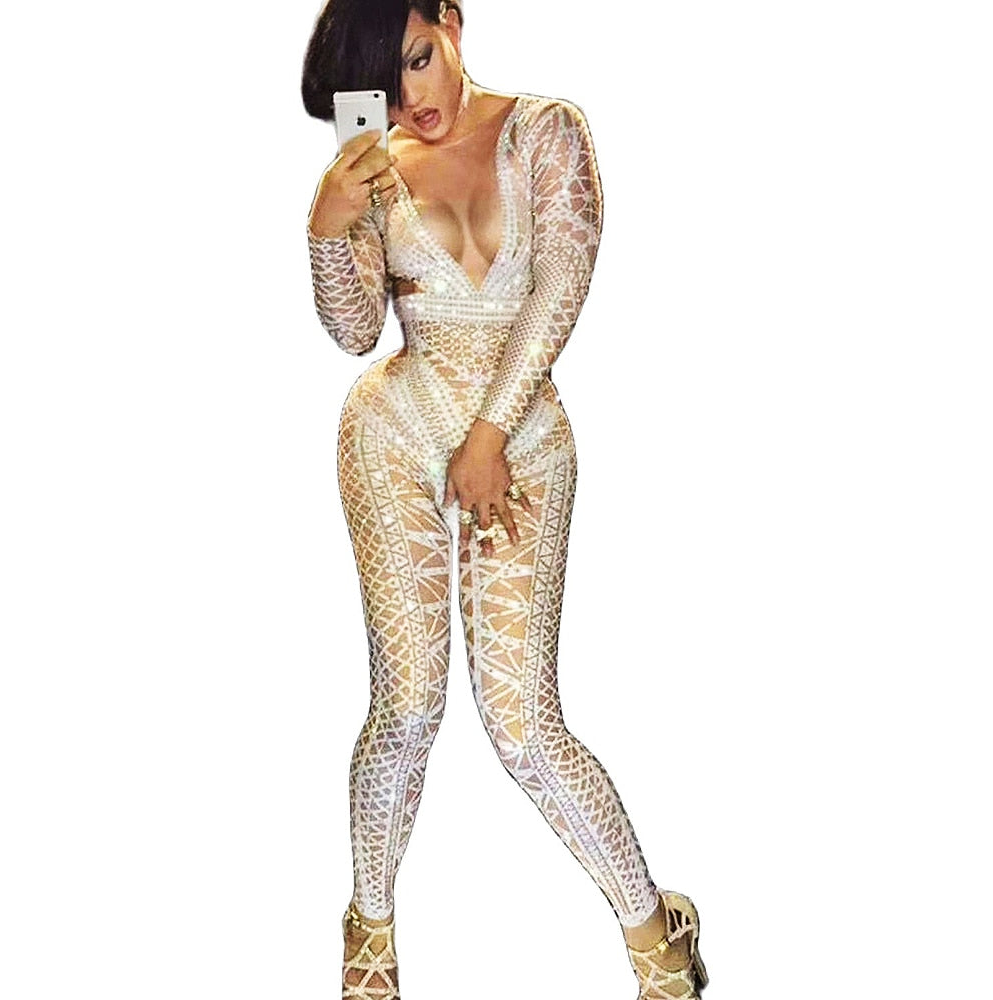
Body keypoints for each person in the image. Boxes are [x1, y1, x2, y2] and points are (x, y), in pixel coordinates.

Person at [301, 2, 708, 997]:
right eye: (383, 82)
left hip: (521, 438)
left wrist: (487, 436)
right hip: (396, 430)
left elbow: (562, 285)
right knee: (407, 703)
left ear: (451, 19)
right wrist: (325, 228)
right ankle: (369, 934)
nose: (410, 98)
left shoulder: (547, 130)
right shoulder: (373, 165)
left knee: (524, 725)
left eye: (417, 58)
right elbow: (355, 333)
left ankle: (656, 934)